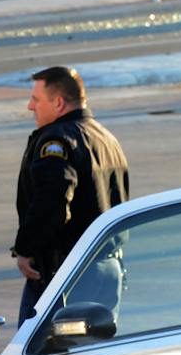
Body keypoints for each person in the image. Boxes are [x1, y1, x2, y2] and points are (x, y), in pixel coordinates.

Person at [13, 65, 129, 323]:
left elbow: (52, 203)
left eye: (36, 99)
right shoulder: (106, 138)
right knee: (95, 352)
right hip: (109, 267)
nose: (30, 107)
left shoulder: (58, 141)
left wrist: (26, 249)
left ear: (58, 103)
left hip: (68, 273)